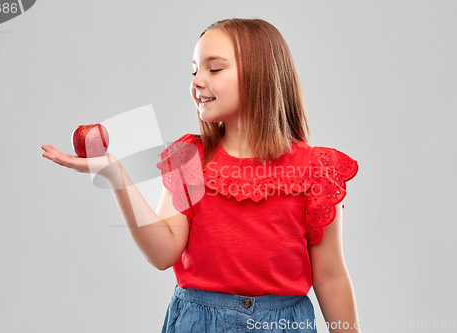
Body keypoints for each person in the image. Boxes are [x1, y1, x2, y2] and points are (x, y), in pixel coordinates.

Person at [41, 18, 360, 333]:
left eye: (214, 68)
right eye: (194, 70)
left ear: (260, 75)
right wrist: (116, 174)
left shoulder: (316, 169)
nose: (196, 81)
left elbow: (330, 276)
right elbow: (163, 253)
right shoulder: (189, 159)